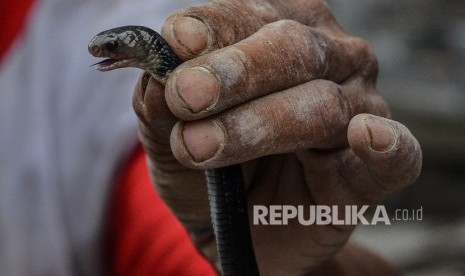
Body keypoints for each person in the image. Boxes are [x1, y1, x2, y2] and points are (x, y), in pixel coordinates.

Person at [0, 0, 422, 275]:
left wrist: (310, 269)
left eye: (112, 48)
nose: (101, 52)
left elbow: (168, 228)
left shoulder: (71, 66)